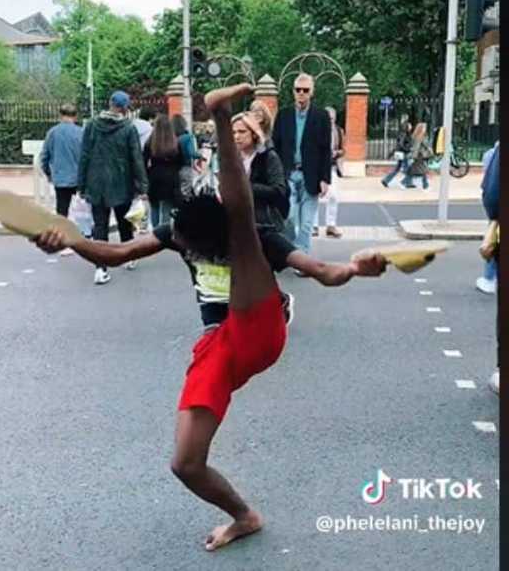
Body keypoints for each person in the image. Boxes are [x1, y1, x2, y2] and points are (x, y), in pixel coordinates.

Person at [32, 83, 386, 551]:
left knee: (245, 233)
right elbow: (117, 254)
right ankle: (245, 516)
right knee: (185, 462)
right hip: (218, 343)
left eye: (203, 248)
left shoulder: (253, 232)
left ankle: (220, 112)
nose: (194, 253)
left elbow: (323, 271)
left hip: (261, 328)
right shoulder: (182, 231)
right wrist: (72, 239)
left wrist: (357, 268)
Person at [77, 90, 148, 284]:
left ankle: (100, 268)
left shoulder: (92, 126)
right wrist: (142, 186)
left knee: (100, 227)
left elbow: (84, 156)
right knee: (124, 221)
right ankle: (128, 256)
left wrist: (81, 184)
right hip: (122, 183)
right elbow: (136, 159)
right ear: (126, 108)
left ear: (109, 104)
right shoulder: (128, 128)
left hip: (95, 183)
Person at [272, 73, 331, 257]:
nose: (302, 94)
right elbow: (276, 145)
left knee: (306, 222)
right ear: (293, 92)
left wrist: (325, 178)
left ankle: (301, 255)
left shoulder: (321, 116)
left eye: (306, 90)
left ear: (312, 92)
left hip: (310, 175)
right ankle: (292, 252)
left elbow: (325, 149)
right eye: (298, 90)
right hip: (288, 174)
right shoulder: (284, 115)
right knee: (288, 217)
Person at [40, 103, 83, 219]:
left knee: (62, 212)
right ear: (75, 116)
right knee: (80, 212)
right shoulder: (81, 132)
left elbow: (44, 157)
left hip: (60, 178)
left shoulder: (52, 133)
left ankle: (64, 235)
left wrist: (49, 174)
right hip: (78, 179)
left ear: (60, 115)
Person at [144, 113, 184, 228]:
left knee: (154, 207)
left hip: (154, 177)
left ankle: (155, 232)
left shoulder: (150, 142)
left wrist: (147, 175)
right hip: (171, 178)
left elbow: (143, 160)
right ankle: (164, 234)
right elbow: (181, 161)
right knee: (167, 208)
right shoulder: (175, 142)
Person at [313, 107, 344, 238]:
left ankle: (330, 226)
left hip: (331, 167)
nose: (329, 121)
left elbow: (343, 149)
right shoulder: (315, 130)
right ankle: (313, 226)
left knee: (334, 196)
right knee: (314, 197)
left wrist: (337, 153)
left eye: (331, 118)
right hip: (317, 168)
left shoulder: (338, 131)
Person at [477, 142, 499, 295]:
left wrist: (493, 216)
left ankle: (489, 279)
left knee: (495, 239)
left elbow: (490, 186)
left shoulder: (493, 152)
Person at [402, 123, 434, 191]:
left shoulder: (416, 136)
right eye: (424, 128)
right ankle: (425, 186)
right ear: (421, 129)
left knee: (414, 171)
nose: (425, 129)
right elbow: (417, 147)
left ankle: (404, 182)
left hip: (419, 156)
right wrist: (414, 156)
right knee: (423, 170)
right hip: (419, 156)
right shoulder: (420, 137)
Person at [381, 121, 413, 188]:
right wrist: (407, 149)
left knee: (397, 169)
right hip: (404, 154)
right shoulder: (405, 135)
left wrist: (392, 153)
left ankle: (386, 180)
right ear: (407, 127)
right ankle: (407, 183)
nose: (411, 127)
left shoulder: (402, 134)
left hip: (401, 154)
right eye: (410, 126)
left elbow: (398, 145)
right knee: (408, 169)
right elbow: (401, 145)